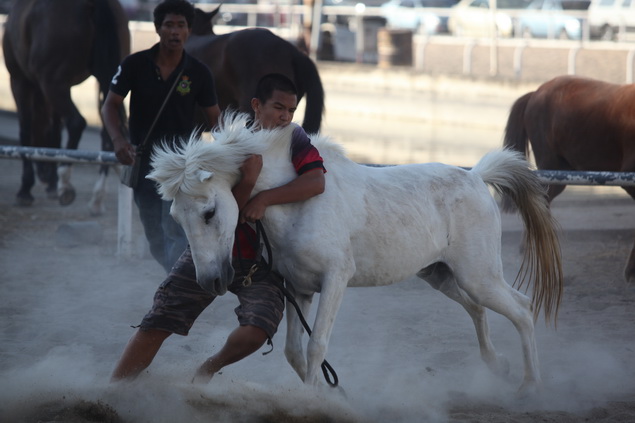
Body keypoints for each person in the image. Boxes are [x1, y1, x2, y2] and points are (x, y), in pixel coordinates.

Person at [110, 73, 326, 383]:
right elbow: (214, 212)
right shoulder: (227, 147)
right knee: (160, 318)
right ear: (256, 105)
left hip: (261, 260)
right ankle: (113, 390)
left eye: (291, 110)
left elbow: (316, 180)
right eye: (278, 107)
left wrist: (263, 198)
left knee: (259, 329)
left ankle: (206, 370)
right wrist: (249, 181)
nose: (285, 116)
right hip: (210, 245)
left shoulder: (294, 138)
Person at [101, 0, 221, 273]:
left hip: (183, 167)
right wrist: (119, 141)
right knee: (154, 234)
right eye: (169, 25)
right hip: (145, 164)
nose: (175, 32)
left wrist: (226, 156)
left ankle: (177, 288)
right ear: (158, 28)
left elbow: (216, 120)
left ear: (190, 30)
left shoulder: (199, 72)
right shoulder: (134, 64)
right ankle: (177, 281)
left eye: (181, 25)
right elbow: (110, 105)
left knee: (175, 231)